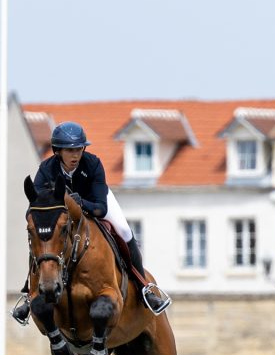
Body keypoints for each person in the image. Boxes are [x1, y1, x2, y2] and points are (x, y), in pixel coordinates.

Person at [13, 121, 171, 323]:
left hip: (95, 202)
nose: (75, 155)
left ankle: (144, 288)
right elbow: (35, 206)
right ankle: (29, 292)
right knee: (42, 236)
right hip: (64, 214)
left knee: (123, 229)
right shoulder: (46, 169)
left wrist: (81, 202)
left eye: (79, 149)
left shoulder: (93, 164)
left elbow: (100, 208)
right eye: (70, 151)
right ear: (57, 151)